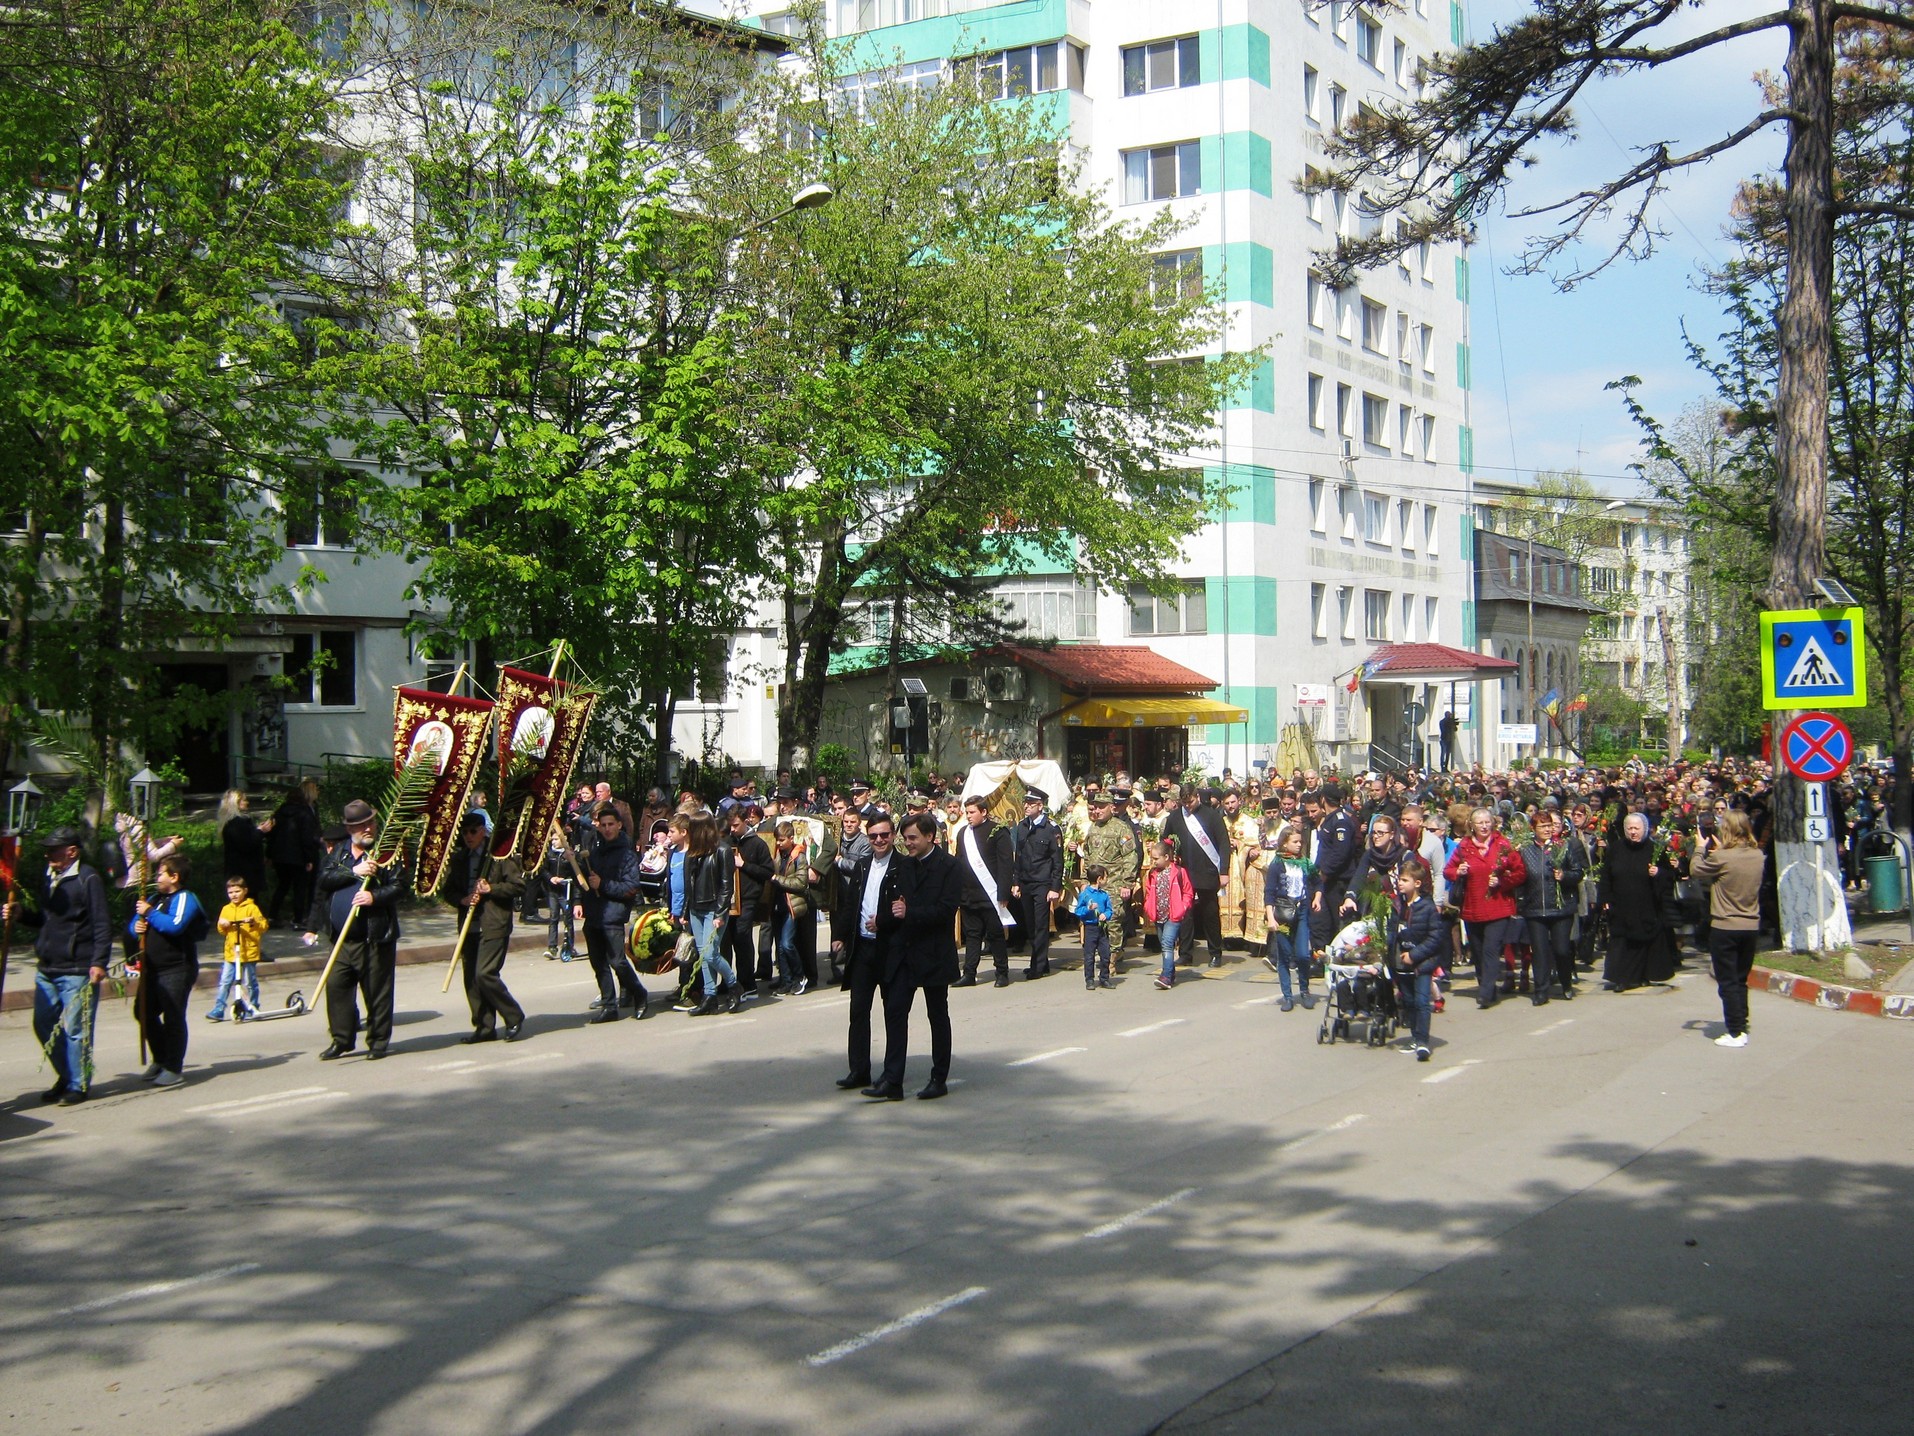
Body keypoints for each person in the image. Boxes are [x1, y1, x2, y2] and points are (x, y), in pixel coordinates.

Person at [6, 826, 112, 1105]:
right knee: (42, 1023)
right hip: (48, 967)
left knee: (77, 1029)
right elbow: (47, 919)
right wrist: (22, 915)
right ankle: (66, 1075)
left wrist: (99, 961)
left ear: (71, 852)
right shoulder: (50, 877)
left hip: (77, 968)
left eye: (53, 849)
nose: (47, 854)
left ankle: (79, 1085)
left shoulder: (88, 879)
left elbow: (102, 922)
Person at [865, 811, 961, 1099]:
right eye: (905, 838)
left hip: (934, 952)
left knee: (937, 1015)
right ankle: (892, 1079)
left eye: (913, 838)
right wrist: (884, 919)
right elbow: (895, 904)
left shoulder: (949, 866)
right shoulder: (904, 867)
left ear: (930, 837)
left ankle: (938, 1078)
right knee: (895, 1012)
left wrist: (911, 912)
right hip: (904, 952)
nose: (907, 844)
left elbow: (946, 911)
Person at [317, 798, 406, 1060]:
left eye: (370, 823)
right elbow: (324, 879)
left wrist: (374, 897)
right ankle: (342, 1039)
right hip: (342, 939)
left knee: (377, 990)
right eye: (360, 825)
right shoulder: (341, 853)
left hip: (374, 936)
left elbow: (400, 887)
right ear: (350, 830)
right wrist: (355, 871)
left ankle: (378, 1042)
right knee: (337, 986)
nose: (367, 829)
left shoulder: (386, 852)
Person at [438, 813, 527, 1044]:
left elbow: (518, 886)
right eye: (465, 832)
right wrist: (462, 899)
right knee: (471, 979)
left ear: (483, 831)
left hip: (493, 923)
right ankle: (484, 1026)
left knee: (485, 973)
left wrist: (491, 888)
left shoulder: (499, 856)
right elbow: (448, 891)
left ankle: (513, 1015)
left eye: (473, 831)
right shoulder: (459, 859)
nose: (469, 836)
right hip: (469, 925)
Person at [829, 812, 900, 1093]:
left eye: (884, 835)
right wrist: (840, 937)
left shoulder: (903, 866)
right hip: (863, 948)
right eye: (873, 836)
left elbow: (905, 908)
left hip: (890, 949)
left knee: (893, 1013)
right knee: (858, 1012)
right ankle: (858, 1070)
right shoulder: (861, 866)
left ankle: (892, 1075)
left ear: (893, 835)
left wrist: (884, 921)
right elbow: (851, 905)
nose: (879, 840)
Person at [130, 854, 207, 1086]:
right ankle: (161, 1058)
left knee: (173, 1016)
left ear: (174, 877)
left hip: (176, 967)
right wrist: (137, 925)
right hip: (152, 968)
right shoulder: (154, 897)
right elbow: (134, 926)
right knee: (143, 1012)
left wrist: (150, 914)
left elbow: (174, 925)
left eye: (161, 873)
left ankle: (173, 1067)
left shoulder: (185, 898)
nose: (156, 877)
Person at [1690, 810, 1765, 1046]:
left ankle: (1735, 1031)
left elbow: (1696, 870)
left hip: (1725, 925)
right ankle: (1741, 1021)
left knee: (1728, 981)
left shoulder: (1723, 858)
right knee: (1741, 979)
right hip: (1750, 925)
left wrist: (1700, 847)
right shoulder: (1757, 855)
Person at [1443, 808, 1526, 1009]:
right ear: (1471, 825)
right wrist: (1458, 871)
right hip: (1472, 907)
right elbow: (1448, 871)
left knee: (1490, 949)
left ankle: (1486, 992)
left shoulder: (1503, 845)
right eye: (1479, 822)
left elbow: (1520, 872)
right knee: (1478, 951)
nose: (1484, 826)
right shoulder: (1464, 846)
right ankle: (1486, 985)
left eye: (1487, 822)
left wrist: (1502, 881)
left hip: (1498, 906)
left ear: (1493, 824)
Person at [577, 802, 650, 1022]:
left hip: (613, 916)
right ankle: (609, 1006)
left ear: (619, 825)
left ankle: (639, 992)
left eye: (611, 824)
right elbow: (585, 881)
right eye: (603, 824)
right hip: (593, 914)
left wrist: (604, 884)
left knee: (617, 961)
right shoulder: (595, 853)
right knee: (598, 962)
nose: (607, 828)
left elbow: (630, 888)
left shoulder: (627, 855)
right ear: (598, 826)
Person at [1516, 809, 1585, 1005]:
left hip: (1560, 907)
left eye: (1549, 826)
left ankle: (1565, 982)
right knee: (1539, 951)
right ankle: (1541, 990)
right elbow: (1519, 877)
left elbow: (1578, 872)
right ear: (1533, 829)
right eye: (1543, 826)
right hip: (1535, 907)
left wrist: (1564, 876)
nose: (1547, 829)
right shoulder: (1525, 849)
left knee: (1562, 949)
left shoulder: (1563, 846)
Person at [1603, 812, 1677, 992]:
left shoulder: (1654, 850)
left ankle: (1643, 975)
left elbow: (1669, 876)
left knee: (1644, 940)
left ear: (1644, 829)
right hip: (1620, 905)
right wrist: (1605, 899)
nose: (1633, 832)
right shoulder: (1615, 849)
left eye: (1637, 828)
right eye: (1629, 828)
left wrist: (1658, 873)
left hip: (1646, 905)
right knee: (1622, 942)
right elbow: (1606, 876)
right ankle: (1624, 978)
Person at [678, 812, 741, 1016]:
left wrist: (720, 913)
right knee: (703, 955)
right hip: (696, 908)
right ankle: (710, 996)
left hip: (714, 909)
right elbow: (689, 884)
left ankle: (733, 985)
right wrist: (685, 911)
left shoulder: (722, 851)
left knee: (710, 952)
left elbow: (726, 886)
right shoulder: (692, 853)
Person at [1164, 785, 1231, 967]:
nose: (1188, 806)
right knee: (1185, 915)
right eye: (1184, 803)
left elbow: (1224, 844)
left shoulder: (1211, 816)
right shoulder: (1175, 817)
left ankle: (1215, 952)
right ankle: (1185, 953)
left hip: (1207, 872)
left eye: (1191, 802)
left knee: (1210, 913)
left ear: (1197, 797)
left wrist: (1223, 871)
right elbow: (1166, 841)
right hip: (1184, 872)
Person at [954, 795, 1015, 987]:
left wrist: (1003, 893)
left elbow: (1006, 864)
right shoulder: (963, 832)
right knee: (972, 934)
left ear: (984, 812)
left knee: (995, 934)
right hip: (968, 894)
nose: (968, 816)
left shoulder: (998, 831)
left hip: (991, 893)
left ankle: (1002, 972)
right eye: (967, 812)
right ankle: (969, 973)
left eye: (972, 812)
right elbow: (959, 860)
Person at [1390, 861, 1445, 1061]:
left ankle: (1423, 1041)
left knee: (1422, 1001)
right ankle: (1414, 1036)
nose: (1400, 883)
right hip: (1402, 963)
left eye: (1405, 880)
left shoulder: (1427, 907)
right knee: (1410, 1001)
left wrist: (1415, 955)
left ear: (1418, 883)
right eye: (1399, 879)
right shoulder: (1398, 905)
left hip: (1423, 963)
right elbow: (1392, 933)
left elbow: (1435, 938)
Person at [1079, 791, 1139, 962]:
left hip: (1114, 883)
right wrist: (1085, 880)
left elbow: (1130, 857)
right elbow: (1088, 856)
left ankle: (1113, 956)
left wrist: (1127, 883)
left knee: (1113, 920)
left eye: (1101, 807)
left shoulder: (1121, 828)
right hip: (1095, 885)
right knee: (1096, 919)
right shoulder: (1093, 828)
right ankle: (1105, 954)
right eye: (1095, 807)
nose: (1097, 811)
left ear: (1111, 807)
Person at [1262, 825, 1317, 1011]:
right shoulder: (1277, 864)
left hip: (1301, 911)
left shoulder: (1305, 862)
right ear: (1284, 843)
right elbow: (1269, 893)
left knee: (1302, 954)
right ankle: (1287, 996)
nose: (1299, 845)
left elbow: (1318, 883)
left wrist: (1317, 898)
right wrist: (1271, 917)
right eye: (1295, 842)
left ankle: (1305, 990)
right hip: (1282, 913)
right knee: (1284, 956)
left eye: (1300, 841)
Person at [1011, 787, 1062, 980]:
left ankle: (1038, 966)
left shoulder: (1051, 829)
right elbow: (1019, 856)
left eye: (1031, 803)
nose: (1026, 806)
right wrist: (1016, 881)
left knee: (1041, 925)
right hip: (1025, 881)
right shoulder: (1023, 826)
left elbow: (1057, 860)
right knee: (1030, 925)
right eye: (1025, 802)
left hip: (1042, 882)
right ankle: (1042, 961)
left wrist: (1054, 888)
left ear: (1040, 806)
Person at [726, 805, 775, 994]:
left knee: (742, 938)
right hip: (730, 899)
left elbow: (767, 871)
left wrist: (744, 865)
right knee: (728, 940)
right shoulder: (728, 840)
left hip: (748, 899)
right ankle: (729, 981)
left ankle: (747, 984)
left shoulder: (757, 844)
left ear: (745, 821)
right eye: (730, 825)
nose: (732, 829)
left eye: (736, 825)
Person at [208, 873, 267, 1021]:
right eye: (230, 892)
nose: (234, 895)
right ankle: (219, 1008)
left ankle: (253, 1005)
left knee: (249, 981)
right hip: (232, 952)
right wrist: (223, 924)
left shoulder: (252, 908)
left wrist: (252, 922)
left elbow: (263, 926)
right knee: (226, 981)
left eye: (237, 891)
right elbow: (221, 930)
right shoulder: (226, 909)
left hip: (248, 952)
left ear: (245, 891)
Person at [769, 820, 818, 996]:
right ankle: (786, 981)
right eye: (777, 840)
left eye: (782, 840)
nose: (779, 843)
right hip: (778, 904)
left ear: (791, 838)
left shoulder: (799, 857)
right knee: (780, 948)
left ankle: (800, 976)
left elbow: (800, 883)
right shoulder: (777, 854)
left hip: (792, 905)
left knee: (787, 943)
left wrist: (776, 879)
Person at [267, 779, 323, 928]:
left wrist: (269, 855)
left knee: (283, 885)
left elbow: (271, 834)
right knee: (300, 887)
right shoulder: (305, 813)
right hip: (298, 856)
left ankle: (272, 915)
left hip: (280, 856)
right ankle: (298, 919)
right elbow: (306, 837)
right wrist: (309, 858)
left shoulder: (280, 812)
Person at [1142, 839, 1193, 991]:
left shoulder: (1179, 872)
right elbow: (1149, 892)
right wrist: (1148, 906)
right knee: (1164, 945)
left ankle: (1165, 976)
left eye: (1156, 858)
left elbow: (1188, 892)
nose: (1154, 861)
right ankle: (1170, 974)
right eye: (1152, 858)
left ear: (1166, 857)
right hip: (1158, 915)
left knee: (1167, 944)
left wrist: (1182, 907)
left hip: (1174, 915)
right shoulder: (1153, 873)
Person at [217, 789, 271, 901]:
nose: (247, 803)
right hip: (244, 871)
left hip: (243, 870)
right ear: (236, 803)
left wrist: (257, 830)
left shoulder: (234, 822)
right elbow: (247, 844)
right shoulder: (237, 824)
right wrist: (261, 831)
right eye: (244, 800)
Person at [1074, 865, 1116, 990]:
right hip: (1090, 927)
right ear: (1099, 879)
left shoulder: (1104, 895)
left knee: (1105, 954)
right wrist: (1088, 909)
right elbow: (1078, 911)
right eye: (1105, 877)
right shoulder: (1085, 894)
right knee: (1089, 956)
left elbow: (1109, 909)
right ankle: (1089, 979)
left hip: (1102, 928)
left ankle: (1104, 978)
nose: (1106, 880)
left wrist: (1106, 915)